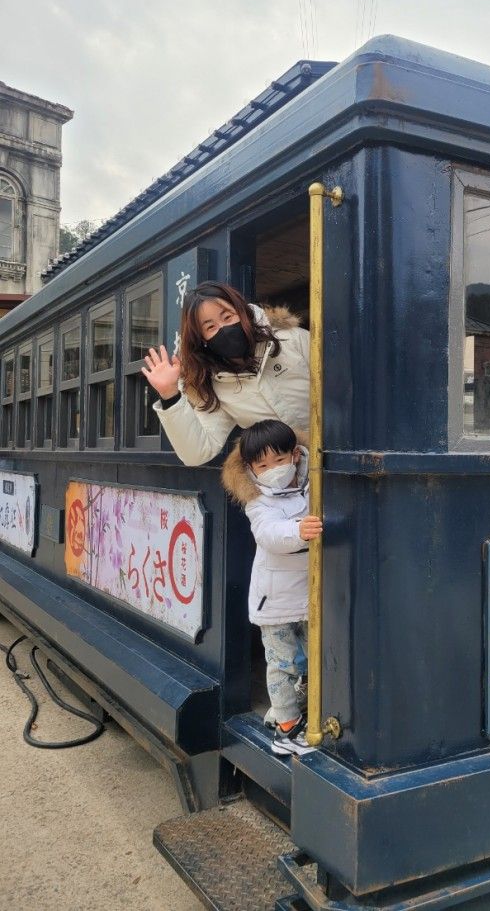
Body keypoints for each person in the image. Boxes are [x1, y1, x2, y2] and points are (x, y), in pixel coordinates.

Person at [222, 418, 322, 756]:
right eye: (262, 465)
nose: (272, 470)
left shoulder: (313, 485)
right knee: (281, 664)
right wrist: (298, 531)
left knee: (313, 660)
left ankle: (294, 713)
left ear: (295, 455)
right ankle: (286, 731)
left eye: (278, 461)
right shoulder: (257, 500)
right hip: (275, 601)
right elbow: (268, 534)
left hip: (309, 595)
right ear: (251, 468)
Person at [141, 281, 310, 465]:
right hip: (284, 478)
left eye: (228, 317)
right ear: (202, 339)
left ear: (242, 311)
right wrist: (170, 395)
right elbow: (197, 453)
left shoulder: (292, 339)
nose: (223, 328)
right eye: (210, 327)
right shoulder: (215, 386)